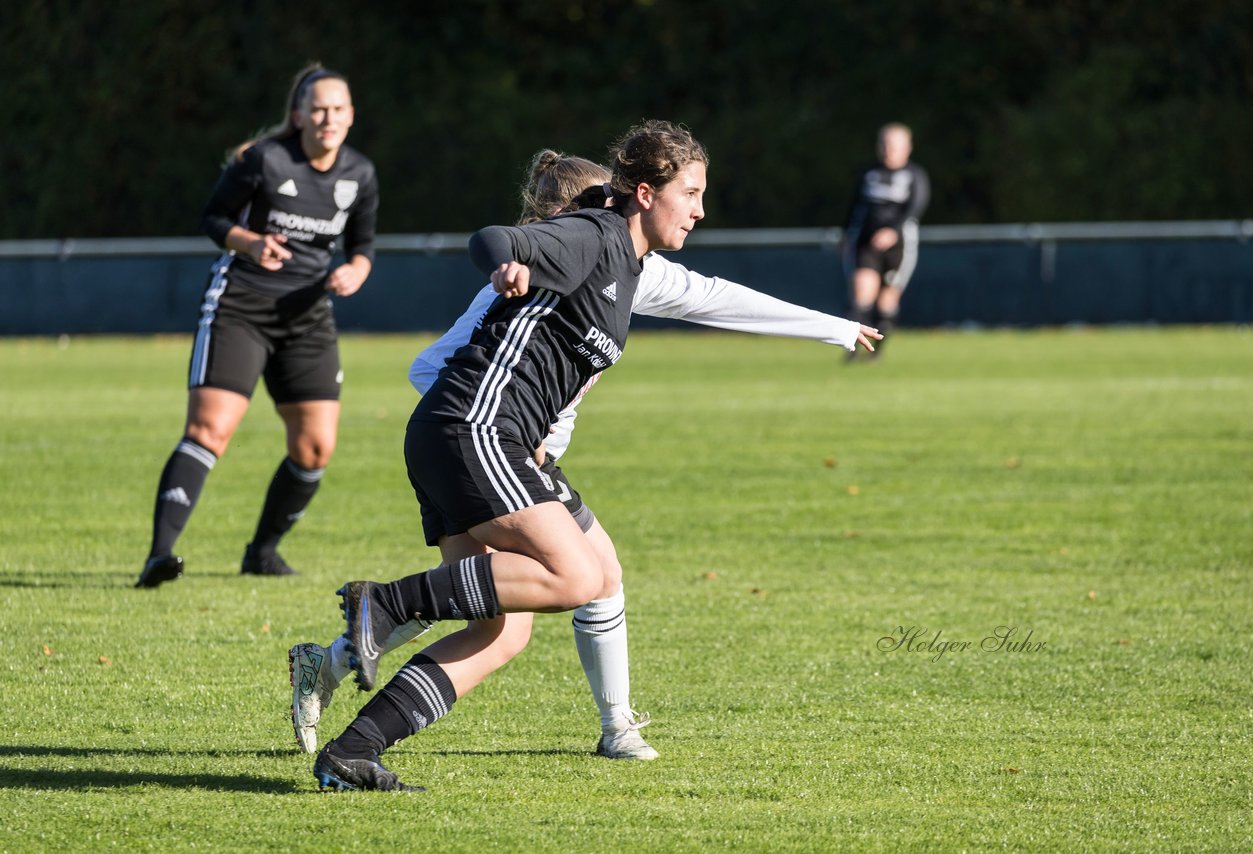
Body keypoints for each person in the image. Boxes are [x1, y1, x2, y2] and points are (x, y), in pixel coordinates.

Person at [307, 124, 881, 791]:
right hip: (476, 431)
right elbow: (494, 238)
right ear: (644, 192)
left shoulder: (632, 264)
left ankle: (354, 750)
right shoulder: (592, 234)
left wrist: (834, 327)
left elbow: (718, 298)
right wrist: (507, 260)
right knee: (582, 577)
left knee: (501, 633)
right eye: (690, 193)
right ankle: (381, 605)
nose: (700, 209)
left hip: (476, 438)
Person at [135, 64, 378, 588]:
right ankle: (159, 556)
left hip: (308, 316)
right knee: (209, 430)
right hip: (241, 306)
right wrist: (249, 243)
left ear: (351, 115)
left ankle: (262, 552)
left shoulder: (360, 174)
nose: (327, 117)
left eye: (338, 108)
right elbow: (213, 218)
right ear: (299, 115)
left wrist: (355, 271)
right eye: (317, 108)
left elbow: (362, 247)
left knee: (315, 447)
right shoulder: (263, 161)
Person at [842, 122, 929, 360]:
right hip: (867, 243)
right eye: (884, 144)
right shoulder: (869, 173)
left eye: (894, 145)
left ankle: (875, 353)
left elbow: (916, 207)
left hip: (899, 247)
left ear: (907, 148)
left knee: (886, 301)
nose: (887, 150)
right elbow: (854, 206)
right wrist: (846, 234)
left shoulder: (914, 175)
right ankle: (851, 350)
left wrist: (893, 231)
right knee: (861, 295)